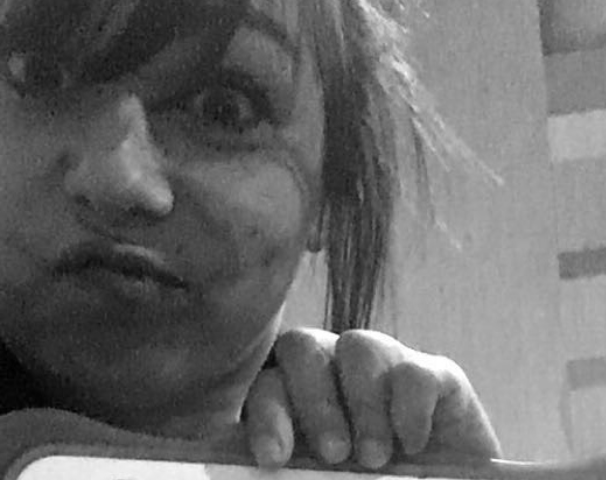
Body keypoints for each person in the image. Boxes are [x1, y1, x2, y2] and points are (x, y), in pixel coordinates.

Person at [0, 0, 500, 471]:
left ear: (331, 197)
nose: (118, 178)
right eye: (41, 74)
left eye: (224, 109)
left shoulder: (373, 441)